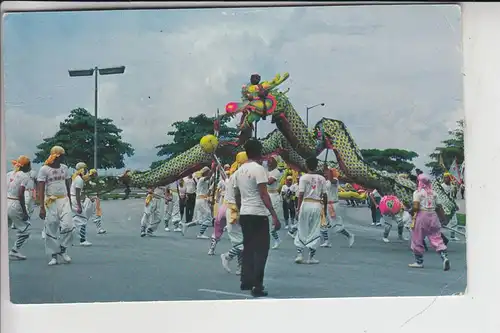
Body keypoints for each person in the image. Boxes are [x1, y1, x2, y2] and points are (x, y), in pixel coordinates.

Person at [234, 139, 280, 297]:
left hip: (245, 213)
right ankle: (257, 285)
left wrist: (241, 210)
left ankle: (246, 281)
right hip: (258, 214)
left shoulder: (239, 171)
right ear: (259, 151)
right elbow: (263, 194)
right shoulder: (258, 169)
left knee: (248, 248)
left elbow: (237, 194)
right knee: (261, 251)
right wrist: (274, 215)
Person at [37, 146, 75, 266]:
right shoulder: (44, 169)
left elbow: (68, 184)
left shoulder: (64, 168)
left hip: (64, 200)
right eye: (62, 155)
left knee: (68, 225)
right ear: (57, 156)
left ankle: (63, 249)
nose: (64, 158)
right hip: (50, 201)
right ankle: (53, 255)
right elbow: (41, 189)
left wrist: (70, 199)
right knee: (51, 227)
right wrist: (42, 207)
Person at [409, 174, 450, 271]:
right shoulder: (434, 193)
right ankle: (444, 257)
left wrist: (410, 211)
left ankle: (419, 262)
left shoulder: (417, 193)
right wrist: (443, 219)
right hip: (433, 216)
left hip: (422, 217)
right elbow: (439, 207)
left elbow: (416, 207)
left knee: (417, 238)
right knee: (436, 238)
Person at [294, 157, 327, 264]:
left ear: (306, 166)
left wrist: (298, 208)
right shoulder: (322, 179)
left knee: (302, 227)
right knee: (314, 230)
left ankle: (299, 254)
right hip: (317, 204)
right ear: (316, 166)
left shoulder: (304, 178)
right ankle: (311, 257)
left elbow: (300, 194)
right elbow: (325, 195)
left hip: (306, 203)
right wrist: (325, 210)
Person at [220, 152, 248, 274]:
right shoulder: (240, 175)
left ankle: (240, 267)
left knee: (241, 240)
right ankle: (227, 256)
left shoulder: (238, 174)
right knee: (242, 242)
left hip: (237, 209)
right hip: (235, 211)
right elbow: (238, 195)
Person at [320, 167, 355, 248]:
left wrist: (330, 173)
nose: (325, 173)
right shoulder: (325, 182)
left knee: (336, 225)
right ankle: (327, 241)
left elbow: (333, 181)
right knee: (323, 223)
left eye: (327, 172)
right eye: (324, 172)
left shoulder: (334, 180)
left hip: (333, 205)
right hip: (326, 204)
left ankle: (349, 235)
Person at [7, 156, 33, 260]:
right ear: (26, 165)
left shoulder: (8, 174)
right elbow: (21, 194)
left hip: (5, 201)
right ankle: (14, 250)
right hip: (15, 203)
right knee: (25, 231)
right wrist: (24, 211)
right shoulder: (24, 176)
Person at [181, 166, 214, 238]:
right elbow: (208, 177)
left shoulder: (204, 180)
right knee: (208, 217)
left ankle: (186, 225)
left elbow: (210, 180)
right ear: (205, 172)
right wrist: (213, 168)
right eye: (208, 172)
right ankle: (201, 234)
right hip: (201, 200)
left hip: (202, 200)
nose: (209, 173)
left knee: (200, 220)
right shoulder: (202, 179)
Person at [70, 162, 93, 247]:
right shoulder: (79, 180)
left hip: (74, 199)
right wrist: (79, 206)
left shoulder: (77, 177)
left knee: (76, 219)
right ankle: (82, 240)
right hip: (75, 200)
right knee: (83, 220)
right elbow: (77, 194)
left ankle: (68, 238)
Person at [266, 157, 282, 249]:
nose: (268, 163)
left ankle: (276, 239)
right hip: (267, 194)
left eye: (270, 162)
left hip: (274, 196)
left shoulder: (276, 172)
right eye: (268, 162)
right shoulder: (266, 171)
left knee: (272, 221)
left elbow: (269, 182)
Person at [440, 173, 460, 241]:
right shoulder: (441, 186)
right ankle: (439, 235)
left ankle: (452, 235)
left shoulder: (452, 187)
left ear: (450, 178)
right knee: (442, 222)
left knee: (454, 221)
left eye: (447, 177)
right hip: (444, 206)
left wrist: (455, 205)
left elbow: (452, 197)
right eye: (444, 177)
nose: (445, 179)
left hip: (451, 206)